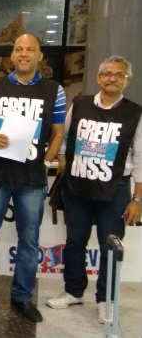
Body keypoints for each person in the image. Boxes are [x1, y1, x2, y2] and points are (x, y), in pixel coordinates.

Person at [0, 33, 66, 323]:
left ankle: (22, 297)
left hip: (32, 180)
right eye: (19, 49)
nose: (24, 54)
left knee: (29, 241)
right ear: (12, 55)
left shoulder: (53, 90)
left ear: (39, 56)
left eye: (30, 49)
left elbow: (58, 132)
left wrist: (46, 161)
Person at [46, 55, 142, 323]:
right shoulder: (80, 104)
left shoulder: (135, 113)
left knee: (110, 246)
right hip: (77, 188)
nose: (112, 78)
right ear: (99, 78)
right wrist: (64, 163)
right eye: (107, 73)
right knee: (75, 242)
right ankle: (73, 291)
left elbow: (141, 159)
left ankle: (106, 300)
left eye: (118, 74)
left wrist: (137, 199)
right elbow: (64, 140)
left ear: (126, 80)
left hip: (115, 191)